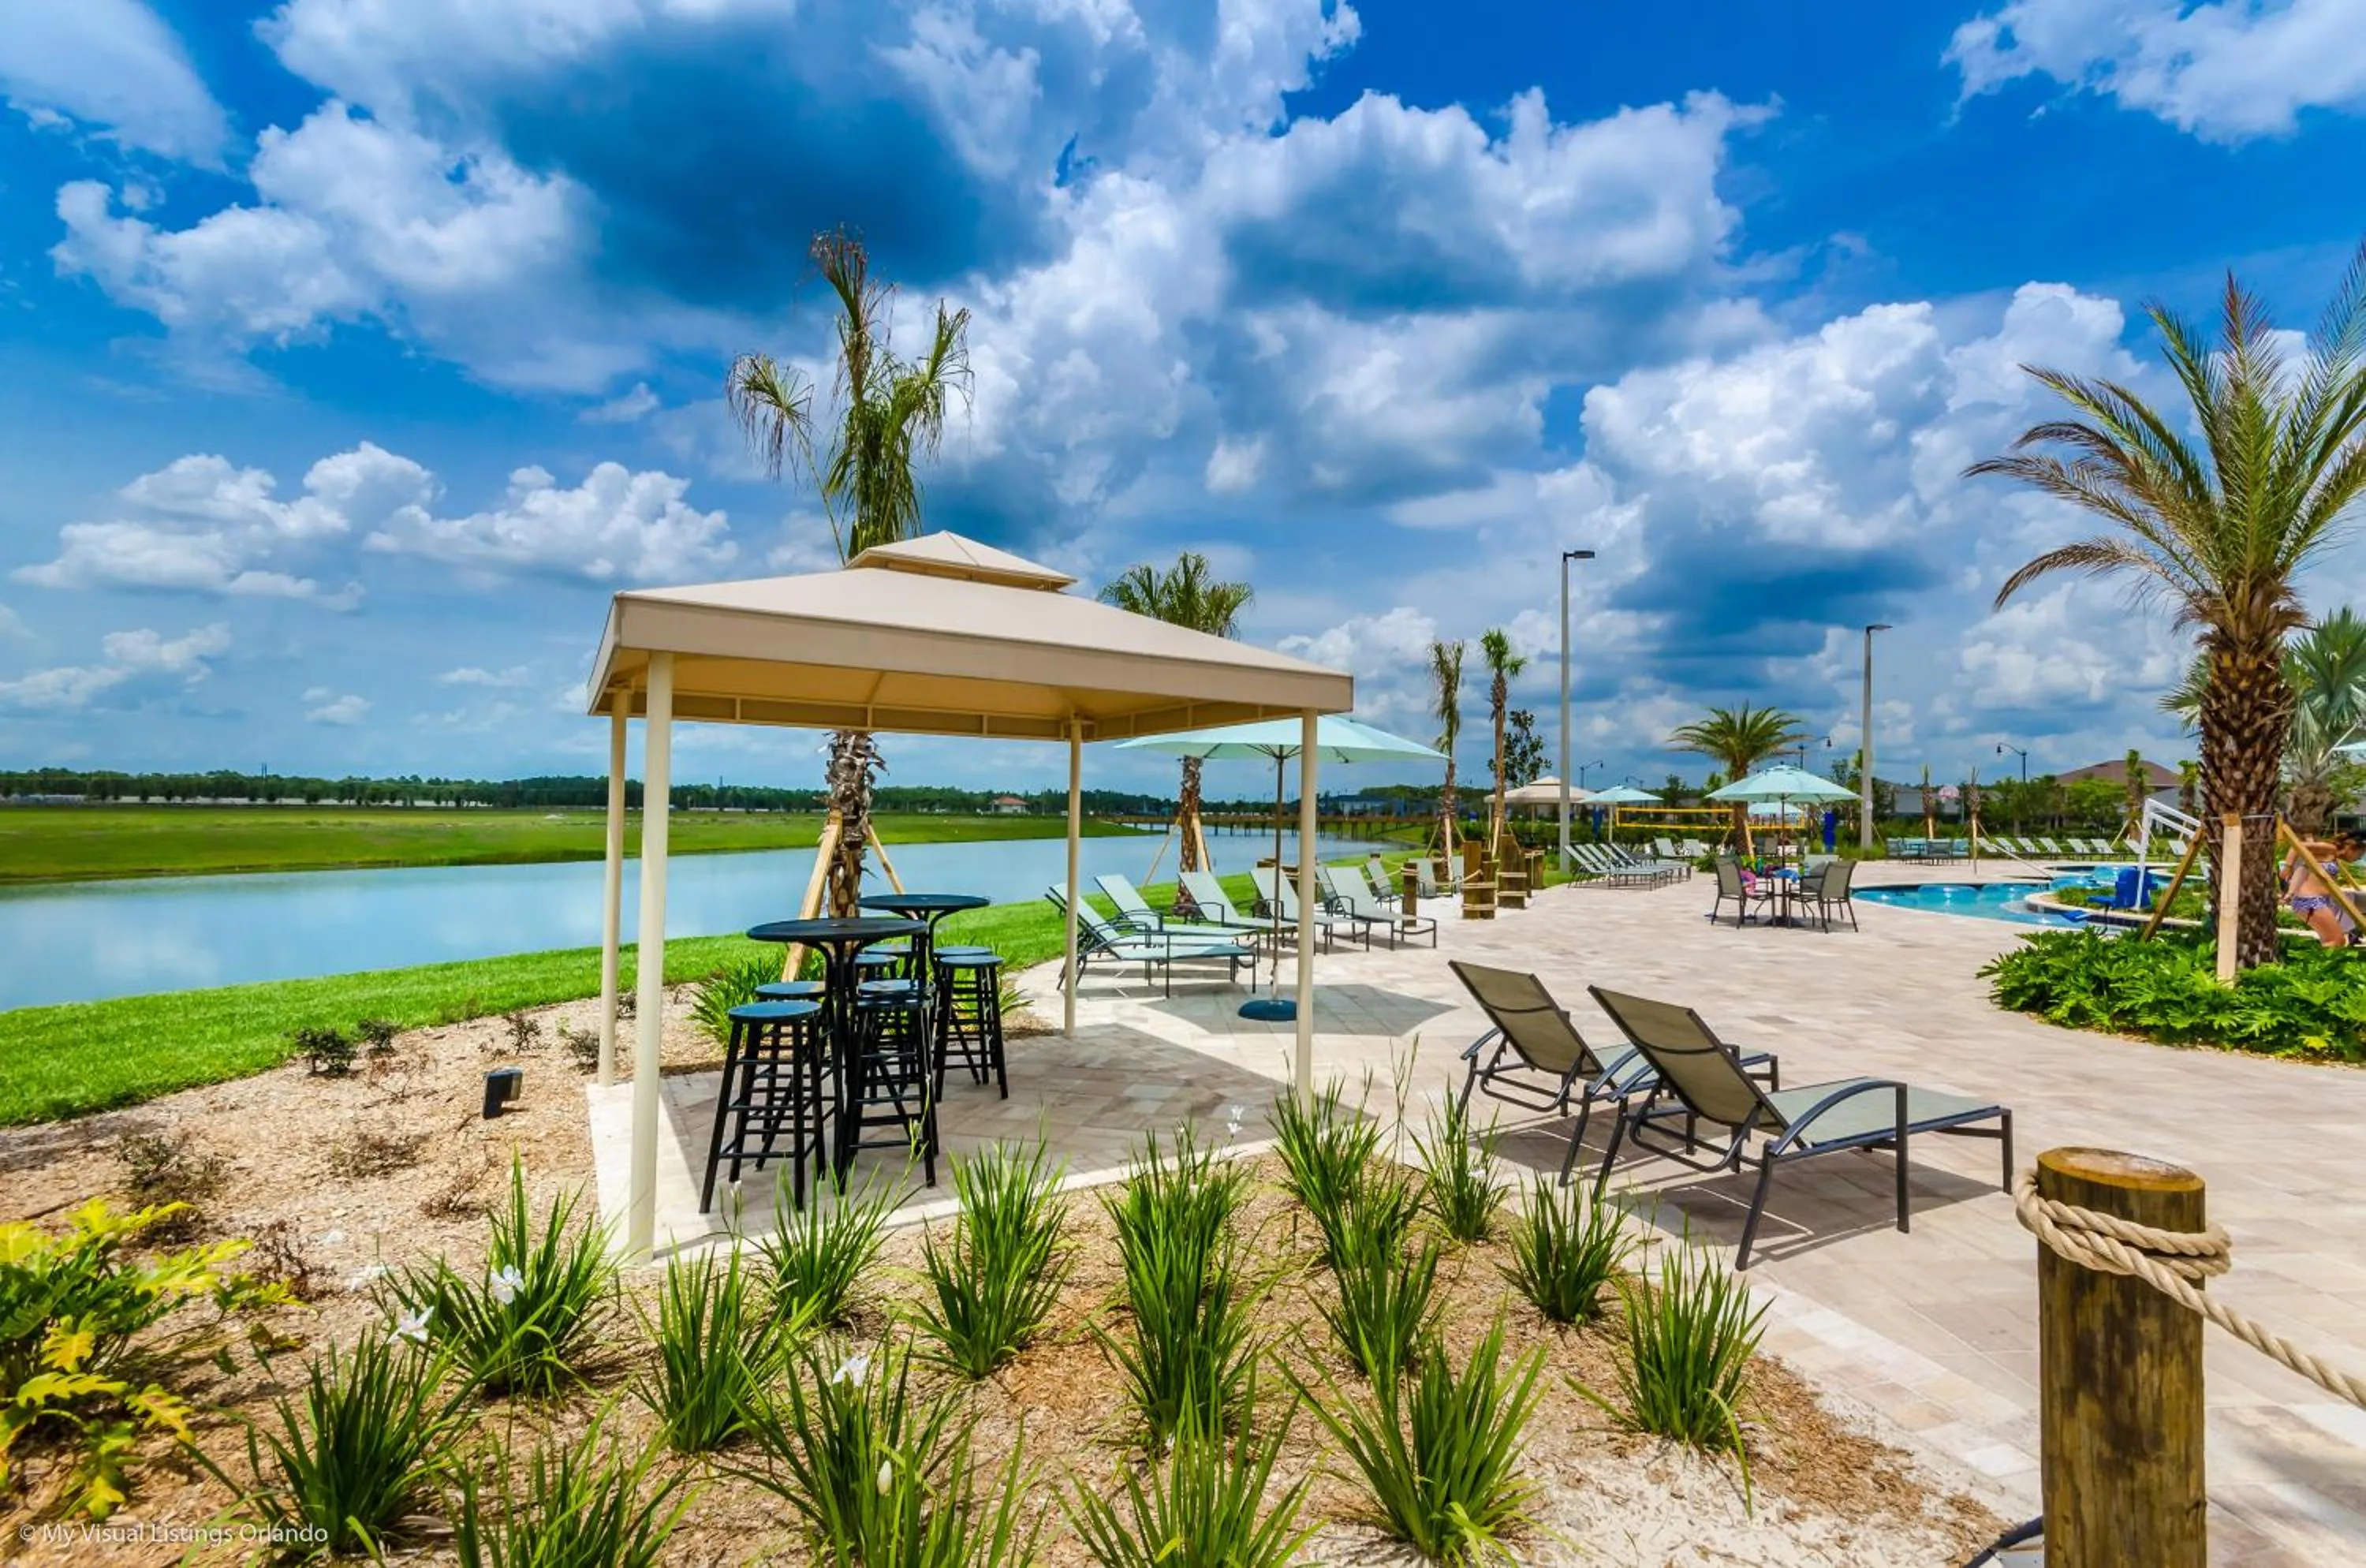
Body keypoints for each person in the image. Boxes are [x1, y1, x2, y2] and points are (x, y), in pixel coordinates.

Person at [2282, 833, 2364, 946]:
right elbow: (2297, 846)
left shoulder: (2333, 855)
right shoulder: (2329, 848)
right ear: (2352, 848)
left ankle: (2353, 932)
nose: (2359, 858)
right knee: (2335, 941)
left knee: (2336, 940)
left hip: (2323, 900)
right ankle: (2315, 963)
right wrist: (2288, 867)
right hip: (2310, 901)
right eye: (2360, 855)